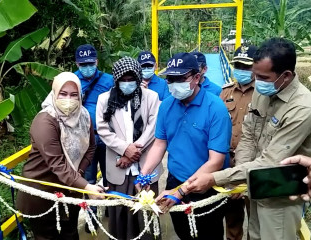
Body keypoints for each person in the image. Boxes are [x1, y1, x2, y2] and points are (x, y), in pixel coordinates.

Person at [186, 38, 311, 240]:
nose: (257, 81)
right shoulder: (263, 93)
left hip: (280, 196)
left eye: (262, 76)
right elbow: (249, 136)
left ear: (286, 76)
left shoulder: (302, 108)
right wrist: (239, 181)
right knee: (253, 235)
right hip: (255, 186)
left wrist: (216, 178)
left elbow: (271, 161)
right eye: (255, 75)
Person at [139, 52, 232, 240]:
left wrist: (181, 191)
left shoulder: (215, 108)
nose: (174, 84)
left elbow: (216, 161)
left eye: (180, 79)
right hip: (175, 180)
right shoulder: (166, 106)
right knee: (183, 232)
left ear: (197, 77)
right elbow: (159, 144)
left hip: (207, 186)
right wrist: (144, 174)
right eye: (170, 79)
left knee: (208, 234)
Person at [16, 72, 105, 240]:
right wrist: (86, 186)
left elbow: (91, 147)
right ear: (54, 93)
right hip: (42, 192)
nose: (69, 100)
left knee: (71, 234)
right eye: (63, 94)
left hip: (70, 190)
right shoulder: (45, 121)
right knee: (46, 237)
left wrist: (79, 173)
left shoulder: (84, 116)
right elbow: (57, 163)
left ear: (80, 95)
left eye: (74, 95)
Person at [96, 56, 162, 240]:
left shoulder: (151, 97)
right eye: (123, 80)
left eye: (131, 79)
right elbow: (103, 129)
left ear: (138, 78)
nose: (127, 83)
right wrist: (125, 149)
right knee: (120, 216)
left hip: (145, 165)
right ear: (116, 80)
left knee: (147, 216)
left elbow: (154, 126)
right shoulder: (104, 99)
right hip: (117, 167)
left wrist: (133, 152)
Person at [221, 45, 258, 240]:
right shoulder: (225, 93)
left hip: (255, 165)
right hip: (229, 164)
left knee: (256, 218)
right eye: (238, 65)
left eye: (246, 66)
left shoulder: (263, 94)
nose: (241, 70)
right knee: (232, 216)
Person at [74, 44, 114, 188]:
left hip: (105, 136)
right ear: (77, 64)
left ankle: (111, 209)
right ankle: (91, 210)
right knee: (88, 180)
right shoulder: (71, 81)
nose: (87, 67)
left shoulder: (109, 80)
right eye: (83, 64)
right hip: (83, 138)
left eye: (90, 63)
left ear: (96, 61)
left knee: (110, 177)